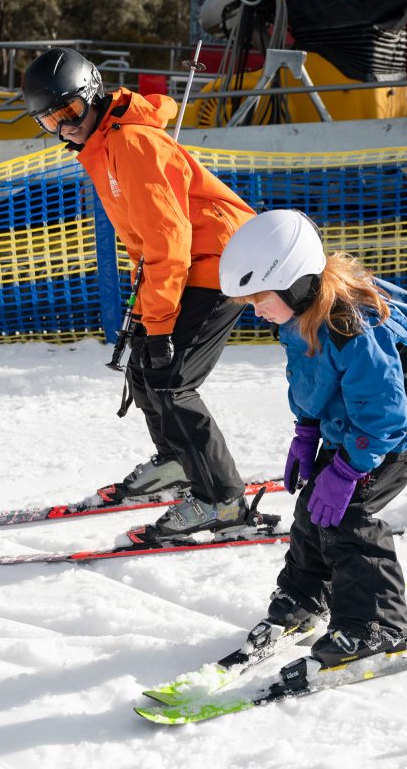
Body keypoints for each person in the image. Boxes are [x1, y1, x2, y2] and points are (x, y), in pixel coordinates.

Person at [21, 47, 260, 541]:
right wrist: (145, 311)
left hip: (222, 263)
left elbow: (169, 243)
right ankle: (178, 463)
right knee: (142, 368)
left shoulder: (131, 144)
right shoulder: (102, 146)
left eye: (68, 112)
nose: (64, 127)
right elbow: (148, 241)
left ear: (93, 96)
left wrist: (158, 323)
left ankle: (221, 501)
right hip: (190, 260)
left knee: (172, 378)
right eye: (50, 121)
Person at [218, 209, 407, 668]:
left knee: (347, 516)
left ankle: (377, 625)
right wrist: (306, 430)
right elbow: (313, 382)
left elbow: (383, 412)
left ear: (294, 282)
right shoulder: (298, 319)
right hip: (352, 428)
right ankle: (305, 597)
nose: (255, 310)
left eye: (258, 297)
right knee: (312, 508)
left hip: (390, 436)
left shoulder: (350, 327)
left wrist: (346, 469)